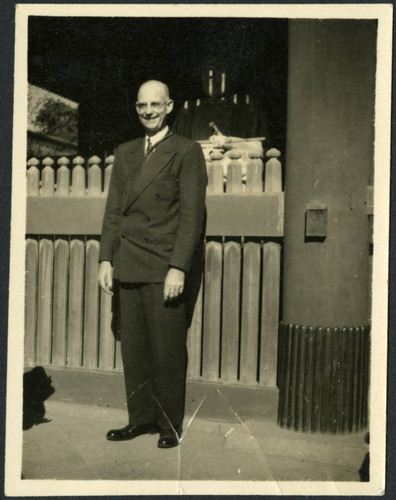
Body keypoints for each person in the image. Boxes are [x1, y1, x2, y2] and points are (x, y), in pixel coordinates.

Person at [98, 80, 207, 449]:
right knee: (135, 349)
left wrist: (178, 266)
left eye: (155, 105)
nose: (148, 111)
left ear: (170, 106)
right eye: (142, 105)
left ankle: (168, 425)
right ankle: (140, 419)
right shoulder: (126, 151)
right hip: (128, 263)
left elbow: (192, 217)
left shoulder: (186, 152)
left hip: (164, 266)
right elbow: (114, 212)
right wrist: (105, 258)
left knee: (167, 349)